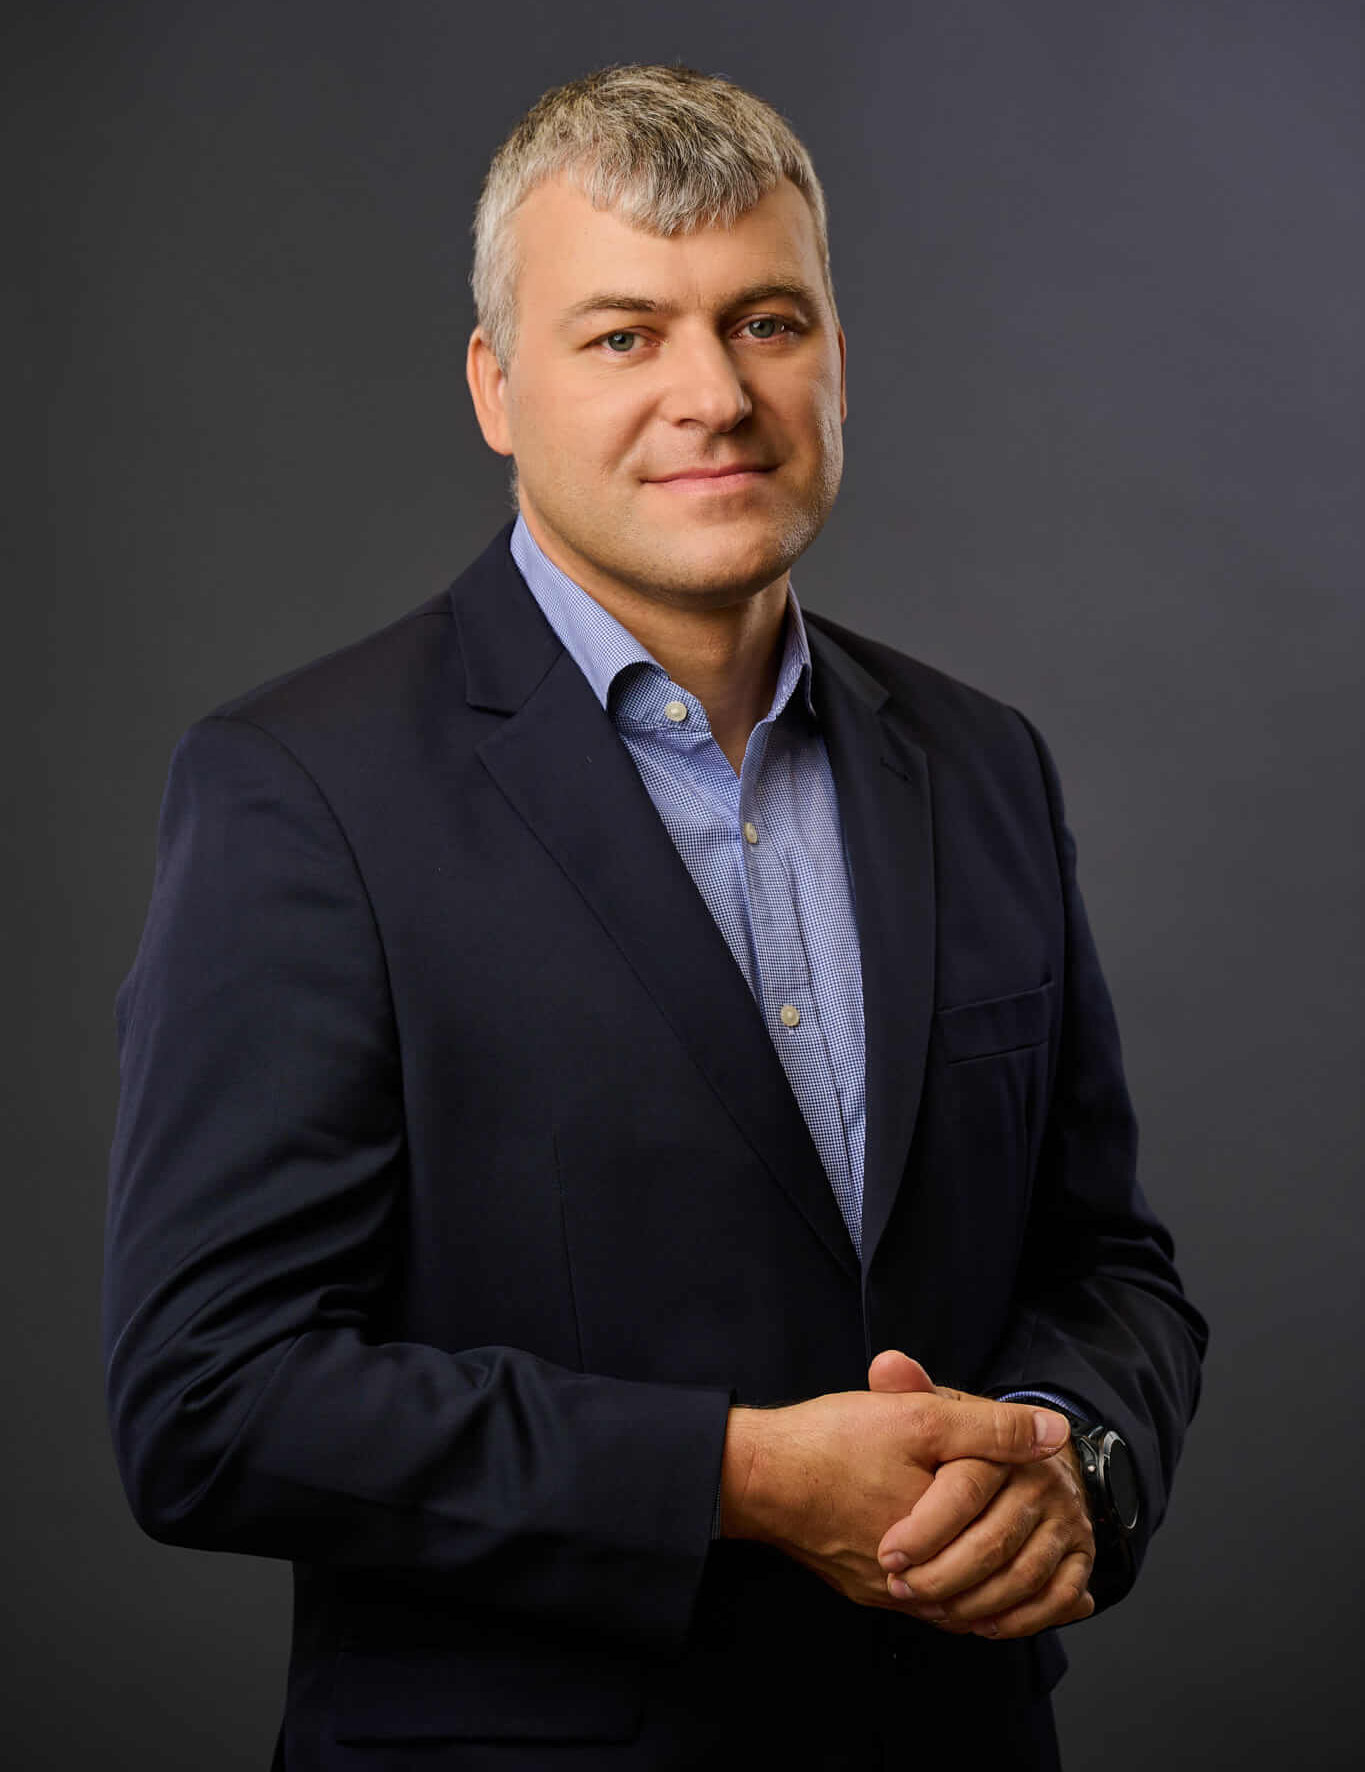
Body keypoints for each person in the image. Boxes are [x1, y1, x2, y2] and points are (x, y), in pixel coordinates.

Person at [104, 64, 1206, 1771]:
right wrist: (745, 1480)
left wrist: (1069, 1452)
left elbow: (1107, 1262)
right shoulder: (298, 788)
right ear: (494, 385)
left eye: (765, 320)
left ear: (837, 353)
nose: (714, 394)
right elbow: (209, 1403)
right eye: (623, 334)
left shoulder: (982, 764)